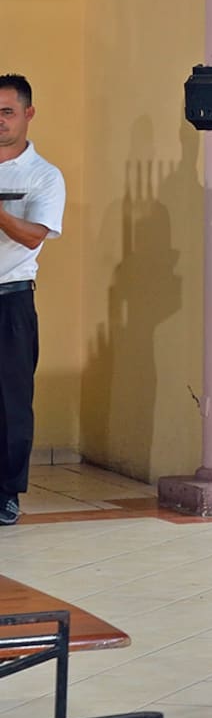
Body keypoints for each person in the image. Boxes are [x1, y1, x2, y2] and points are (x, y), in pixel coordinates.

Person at [0, 75, 65, 527]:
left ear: (27, 114)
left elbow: (33, 237)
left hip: (11, 301)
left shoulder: (44, 175)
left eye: (6, 112)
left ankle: (6, 493)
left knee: (11, 403)